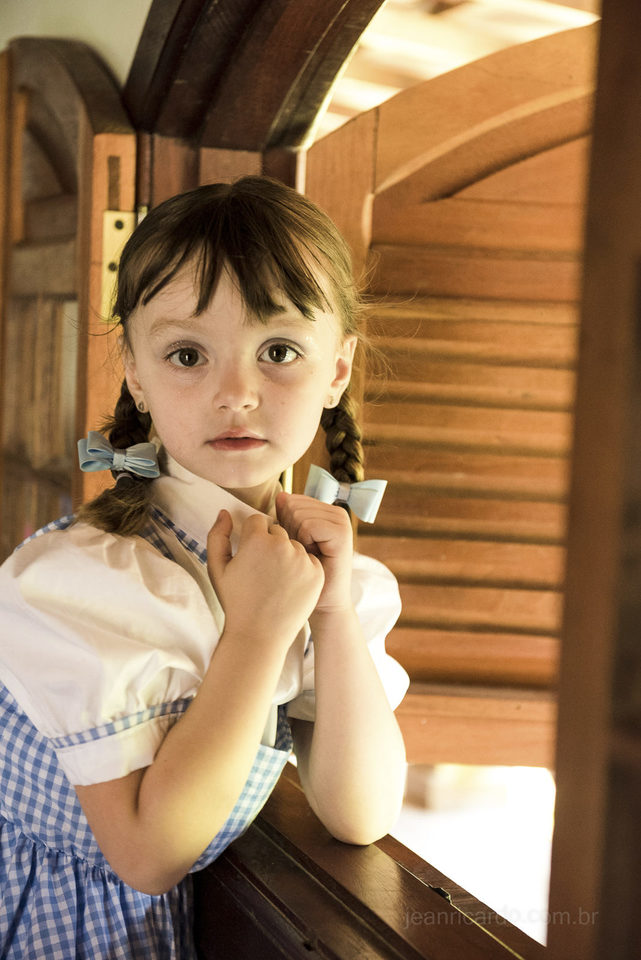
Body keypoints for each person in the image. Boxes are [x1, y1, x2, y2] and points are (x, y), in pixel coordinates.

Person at [0, 176, 408, 958]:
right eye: (187, 355)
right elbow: (147, 857)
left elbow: (361, 815)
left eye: (278, 351)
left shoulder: (326, 577)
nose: (236, 393)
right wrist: (256, 633)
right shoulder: (89, 581)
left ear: (337, 370)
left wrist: (326, 612)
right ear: (136, 373)